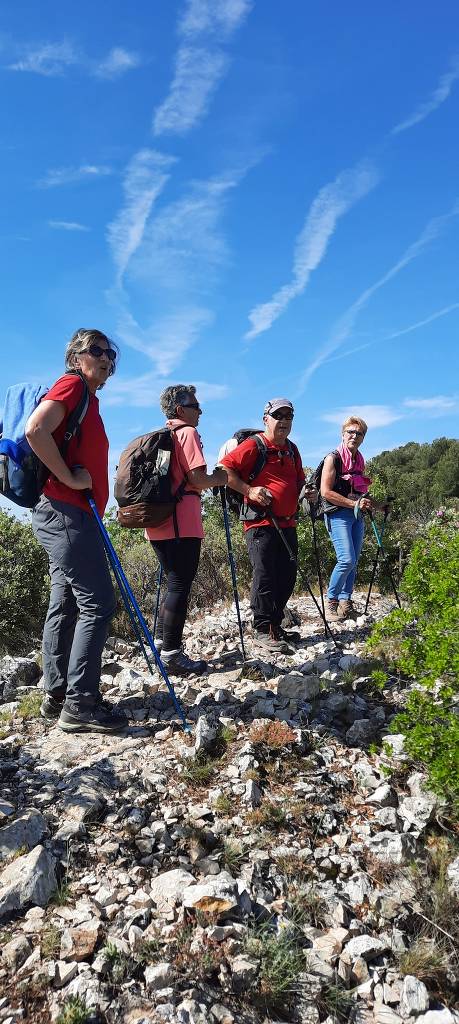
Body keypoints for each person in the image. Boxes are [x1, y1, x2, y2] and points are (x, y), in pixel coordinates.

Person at [26, 328, 126, 734]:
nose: (104, 357)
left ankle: (57, 695)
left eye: (109, 352)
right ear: (76, 357)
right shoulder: (72, 386)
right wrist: (69, 477)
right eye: (95, 350)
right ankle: (81, 705)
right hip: (66, 513)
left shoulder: (87, 399)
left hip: (64, 513)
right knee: (98, 602)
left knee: (65, 602)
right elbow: (37, 430)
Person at [146, 384, 227, 676]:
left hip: (157, 521)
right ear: (180, 410)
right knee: (180, 585)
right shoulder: (187, 433)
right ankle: (172, 654)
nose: (200, 411)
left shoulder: (163, 436)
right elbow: (197, 478)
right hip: (182, 522)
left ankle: (160, 643)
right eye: (196, 406)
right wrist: (220, 477)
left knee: (172, 583)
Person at [219, 398, 305, 654]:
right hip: (261, 522)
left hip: (288, 522)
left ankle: (275, 626)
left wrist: (306, 493)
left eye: (289, 416)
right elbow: (225, 470)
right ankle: (262, 628)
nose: (284, 421)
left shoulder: (292, 449)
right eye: (279, 416)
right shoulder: (254, 445)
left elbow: (298, 481)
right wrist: (250, 490)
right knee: (266, 574)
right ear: (266, 419)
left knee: (287, 576)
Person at [320, 415, 375, 620]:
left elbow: (361, 492)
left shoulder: (360, 461)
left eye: (358, 433)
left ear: (363, 438)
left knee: (354, 560)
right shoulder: (332, 458)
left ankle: (346, 602)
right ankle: (331, 603)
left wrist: (378, 505)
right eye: (350, 432)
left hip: (356, 515)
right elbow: (325, 492)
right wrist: (354, 504)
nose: (354, 436)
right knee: (346, 559)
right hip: (337, 514)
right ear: (343, 434)